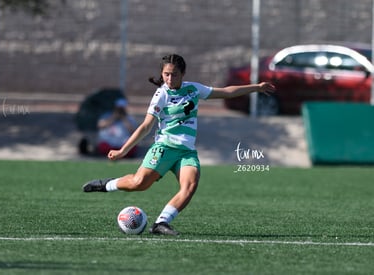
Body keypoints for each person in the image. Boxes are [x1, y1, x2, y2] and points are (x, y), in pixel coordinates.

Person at [83, 54, 275, 236]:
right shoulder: (161, 95)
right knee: (139, 184)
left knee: (190, 186)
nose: (169, 78)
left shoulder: (193, 89)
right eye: (166, 74)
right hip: (164, 148)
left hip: (186, 152)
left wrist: (256, 87)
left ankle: (161, 223)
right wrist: (123, 150)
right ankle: (107, 184)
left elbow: (225, 92)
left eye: (174, 74)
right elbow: (146, 126)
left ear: (183, 74)